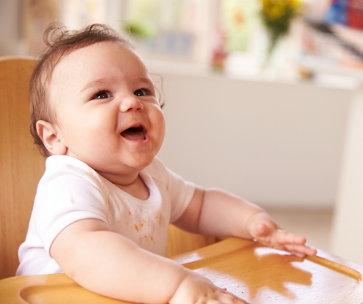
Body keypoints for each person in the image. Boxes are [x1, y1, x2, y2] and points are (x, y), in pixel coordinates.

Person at [16, 23, 317, 304]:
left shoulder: (151, 175)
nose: (132, 102)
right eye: (102, 94)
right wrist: (178, 285)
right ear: (54, 137)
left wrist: (252, 221)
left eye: (142, 90)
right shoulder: (68, 183)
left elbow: (200, 205)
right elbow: (88, 252)